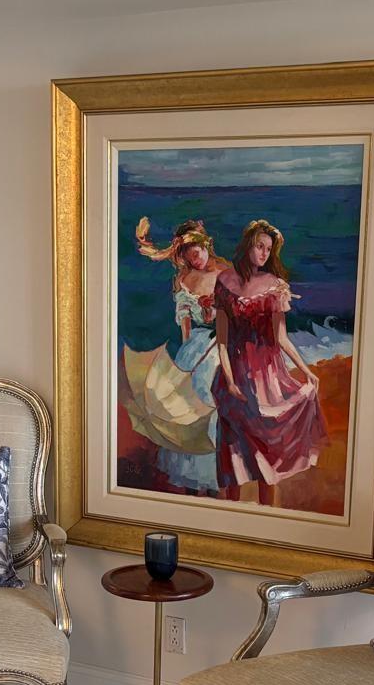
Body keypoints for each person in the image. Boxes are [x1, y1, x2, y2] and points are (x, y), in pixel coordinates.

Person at [211, 219, 325, 507]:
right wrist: (230, 381)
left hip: (267, 378)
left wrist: (307, 372)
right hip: (234, 374)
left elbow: (282, 339)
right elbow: (222, 341)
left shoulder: (275, 287)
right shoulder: (224, 282)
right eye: (259, 246)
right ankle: (229, 515)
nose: (263, 253)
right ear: (247, 245)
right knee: (232, 452)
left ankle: (267, 517)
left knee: (267, 451)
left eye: (268, 249)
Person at [135, 217, 227, 493]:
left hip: (223, 342)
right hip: (196, 345)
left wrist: (216, 315)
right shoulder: (183, 279)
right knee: (186, 399)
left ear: (206, 246)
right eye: (189, 256)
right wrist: (186, 358)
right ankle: (190, 474)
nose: (195, 259)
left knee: (215, 402)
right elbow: (186, 324)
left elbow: (234, 314)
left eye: (197, 253)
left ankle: (216, 472)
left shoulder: (225, 273)